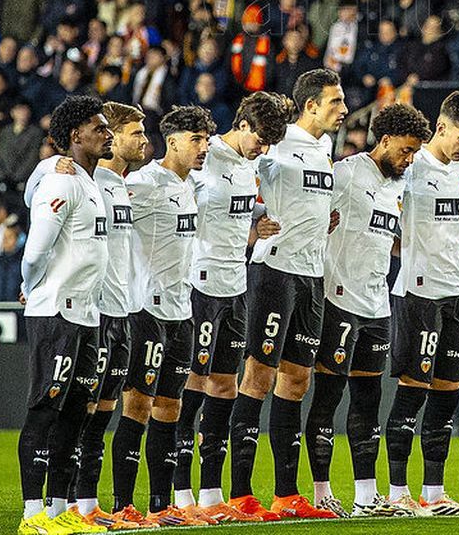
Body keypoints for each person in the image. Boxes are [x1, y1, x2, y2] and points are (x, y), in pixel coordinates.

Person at [225, 69, 350, 520]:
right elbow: (234, 166)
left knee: (296, 381)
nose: (344, 109)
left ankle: (286, 494)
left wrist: (322, 220)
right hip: (273, 271)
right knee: (258, 376)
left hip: (311, 276)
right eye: (335, 102)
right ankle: (239, 493)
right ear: (311, 105)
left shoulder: (324, 148)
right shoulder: (277, 143)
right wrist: (255, 217)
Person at [295, 103, 429, 517]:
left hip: (376, 303)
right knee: (328, 398)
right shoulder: (347, 173)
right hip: (337, 298)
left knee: (368, 400)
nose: (409, 160)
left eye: (414, 154)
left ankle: (368, 495)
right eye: (405, 151)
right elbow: (308, 209)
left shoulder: (397, 184)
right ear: (384, 140)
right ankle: (321, 493)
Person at [382, 92, 459, 517]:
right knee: (411, 393)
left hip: (456, 294)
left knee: (447, 395)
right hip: (417, 295)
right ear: (441, 127)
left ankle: (434, 493)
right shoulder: (411, 167)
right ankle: (394, 492)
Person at [186, 92, 290, 520]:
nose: (262, 150)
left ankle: (211, 493)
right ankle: (178, 495)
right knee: (191, 385)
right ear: (243, 124)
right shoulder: (203, 159)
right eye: (260, 139)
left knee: (225, 387)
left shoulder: (249, 167)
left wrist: (259, 217)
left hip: (236, 283)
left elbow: (239, 208)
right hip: (200, 283)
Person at [16, 96, 114, 535]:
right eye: (99, 128)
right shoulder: (61, 181)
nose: (107, 134)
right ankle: (32, 514)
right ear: (76, 135)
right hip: (56, 309)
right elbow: (36, 248)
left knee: (77, 410)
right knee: (46, 408)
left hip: (87, 312)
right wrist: (31, 285)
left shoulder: (89, 181)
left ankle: (59, 511)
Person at [122, 105, 214, 526]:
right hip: (147, 311)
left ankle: (161, 505)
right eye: (196, 140)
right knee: (137, 407)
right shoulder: (142, 184)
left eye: (207, 141)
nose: (203, 148)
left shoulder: (188, 185)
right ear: (172, 141)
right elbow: (105, 220)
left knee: (170, 409)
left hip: (182, 311)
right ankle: (124, 503)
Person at [62, 101, 145, 529]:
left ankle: (89, 505)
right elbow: (39, 186)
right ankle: (68, 504)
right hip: (96, 315)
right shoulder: (84, 178)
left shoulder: (121, 185)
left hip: (122, 313)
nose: (142, 140)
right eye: (134, 131)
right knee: (83, 413)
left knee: (103, 414)